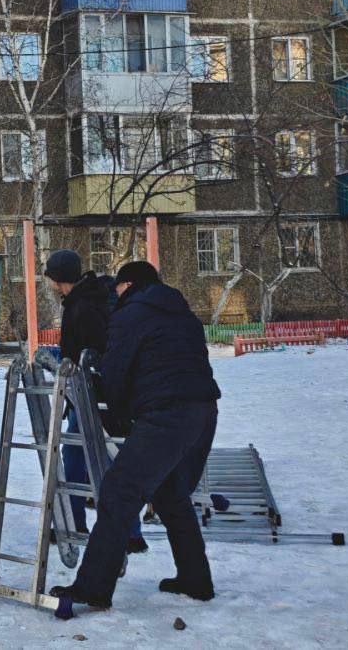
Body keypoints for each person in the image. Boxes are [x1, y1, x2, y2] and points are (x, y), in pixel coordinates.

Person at [53, 261, 221, 617]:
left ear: (128, 285)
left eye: (117, 288)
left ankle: (93, 587)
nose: (114, 295)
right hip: (204, 411)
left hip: (166, 415)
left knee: (118, 492)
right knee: (172, 495)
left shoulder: (131, 315)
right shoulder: (183, 313)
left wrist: (113, 417)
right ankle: (196, 579)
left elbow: (116, 372)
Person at [43, 249, 146, 552]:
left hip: (90, 395)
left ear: (59, 277)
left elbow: (90, 352)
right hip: (104, 395)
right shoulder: (95, 298)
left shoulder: (82, 307)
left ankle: (77, 523)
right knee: (113, 460)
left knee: (76, 459)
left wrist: (66, 365)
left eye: (50, 275)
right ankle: (130, 531)